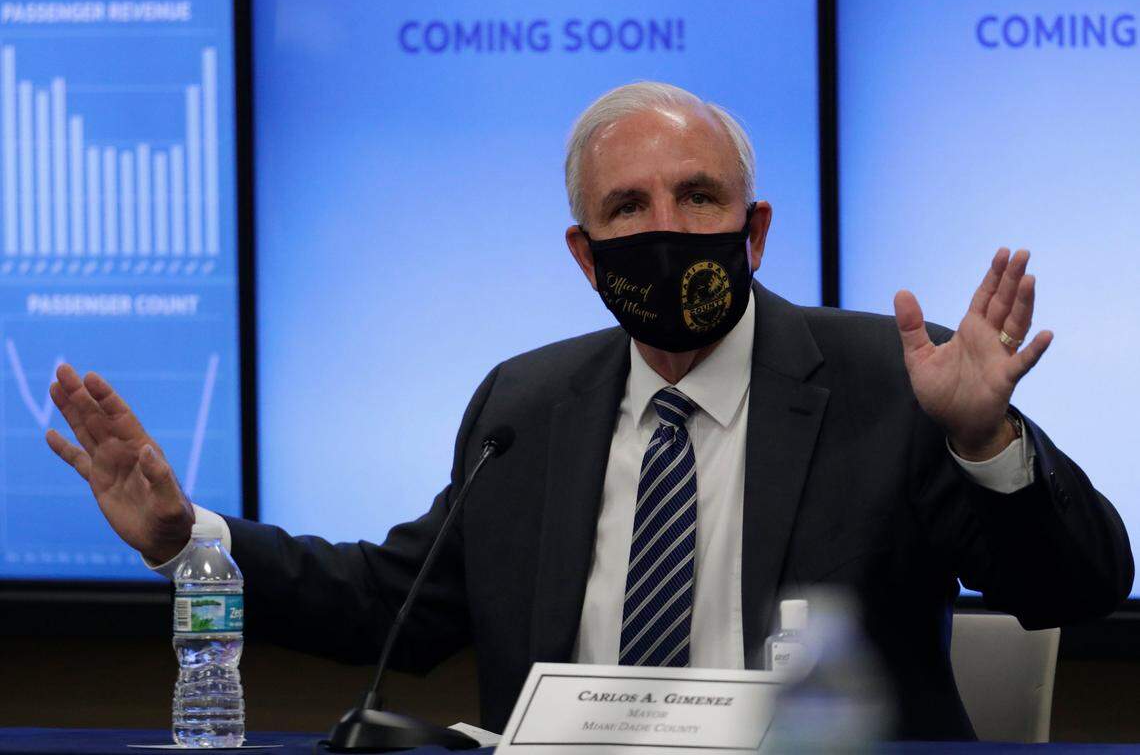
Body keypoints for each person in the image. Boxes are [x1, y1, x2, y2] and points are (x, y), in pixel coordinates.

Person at [45, 82, 1132, 740]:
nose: (667, 228)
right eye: (629, 207)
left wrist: (984, 439)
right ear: (585, 254)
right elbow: (391, 605)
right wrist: (192, 542)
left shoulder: (893, 382)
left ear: (751, 234)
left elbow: (1076, 584)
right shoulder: (526, 404)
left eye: (698, 197)